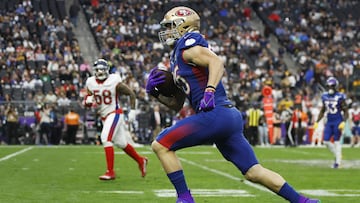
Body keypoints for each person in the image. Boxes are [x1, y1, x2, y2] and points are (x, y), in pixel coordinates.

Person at [146, 6, 320, 203]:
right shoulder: (178, 55)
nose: (167, 31)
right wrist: (157, 95)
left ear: (184, 26)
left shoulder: (189, 47)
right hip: (227, 116)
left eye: (170, 26)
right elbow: (177, 104)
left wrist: (210, 91)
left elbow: (217, 62)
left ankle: (185, 199)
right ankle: (303, 201)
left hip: (215, 113)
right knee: (254, 172)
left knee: (161, 145)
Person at [84, 58, 147, 180]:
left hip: (115, 113)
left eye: (102, 70)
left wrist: (133, 110)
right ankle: (141, 160)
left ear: (107, 70)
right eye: (98, 70)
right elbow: (88, 100)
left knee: (105, 138)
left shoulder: (114, 80)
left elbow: (131, 94)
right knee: (121, 143)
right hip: (104, 116)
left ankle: (110, 172)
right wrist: (87, 101)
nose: (100, 73)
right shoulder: (90, 82)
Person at [314, 76, 348, 168]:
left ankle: (337, 162)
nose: (330, 88)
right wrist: (317, 121)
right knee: (325, 141)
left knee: (337, 141)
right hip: (329, 121)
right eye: (328, 86)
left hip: (338, 120)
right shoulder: (324, 96)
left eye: (332, 86)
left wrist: (344, 121)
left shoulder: (340, 96)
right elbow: (323, 110)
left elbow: (346, 111)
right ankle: (338, 155)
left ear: (335, 86)